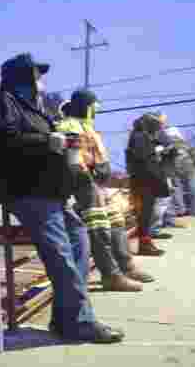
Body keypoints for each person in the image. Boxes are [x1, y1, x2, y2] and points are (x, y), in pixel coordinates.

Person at [0, 54, 124, 344]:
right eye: (37, 75)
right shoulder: (2, 102)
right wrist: (47, 141)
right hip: (26, 191)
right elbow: (4, 140)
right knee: (61, 257)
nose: (41, 81)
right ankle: (81, 322)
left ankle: (65, 318)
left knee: (79, 242)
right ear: (22, 77)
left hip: (53, 192)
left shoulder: (35, 109)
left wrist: (60, 142)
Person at [57, 90, 152, 292]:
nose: (96, 110)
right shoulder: (69, 126)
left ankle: (126, 266)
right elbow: (73, 160)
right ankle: (110, 275)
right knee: (98, 228)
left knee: (116, 221)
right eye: (94, 106)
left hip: (98, 184)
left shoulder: (86, 126)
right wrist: (87, 179)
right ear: (86, 106)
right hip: (85, 185)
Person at [125, 113, 172, 256]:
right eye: (156, 126)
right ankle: (144, 245)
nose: (157, 130)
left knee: (146, 214)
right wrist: (160, 180)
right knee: (144, 214)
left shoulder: (142, 137)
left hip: (145, 180)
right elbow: (146, 162)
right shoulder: (140, 137)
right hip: (143, 181)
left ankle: (146, 243)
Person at [163, 125, 195, 217]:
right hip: (189, 166)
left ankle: (181, 210)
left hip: (174, 167)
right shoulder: (184, 143)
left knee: (177, 189)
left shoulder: (167, 144)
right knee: (194, 187)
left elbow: (164, 157)